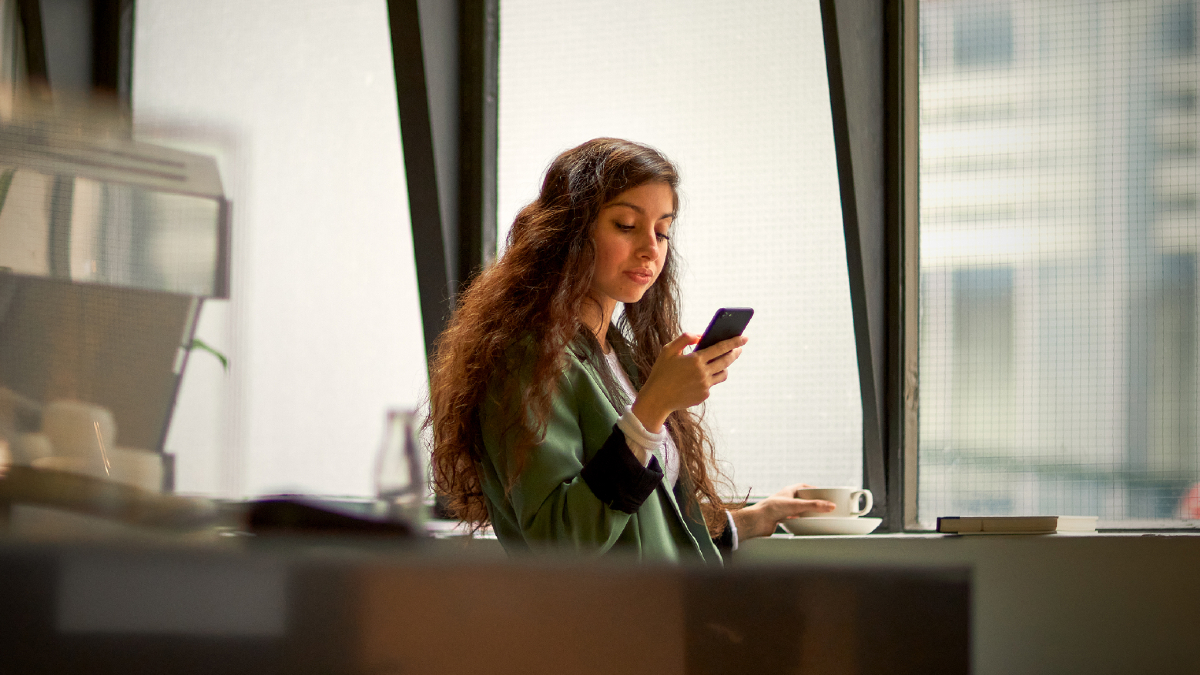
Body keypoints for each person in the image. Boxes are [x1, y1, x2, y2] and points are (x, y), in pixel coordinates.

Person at [428, 138, 834, 564]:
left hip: (662, 619)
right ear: (570, 230)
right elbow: (559, 541)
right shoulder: (530, 359)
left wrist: (756, 518)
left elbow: (642, 521)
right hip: (603, 627)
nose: (651, 248)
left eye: (662, 230)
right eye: (626, 225)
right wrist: (652, 408)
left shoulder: (616, 355)